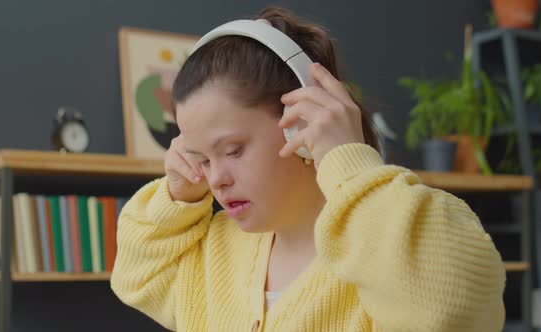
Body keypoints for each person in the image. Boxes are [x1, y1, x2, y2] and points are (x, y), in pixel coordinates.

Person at [110, 6, 506, 332]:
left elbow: (452, 310)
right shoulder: (215, 250)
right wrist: (177, 196)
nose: (216, 179)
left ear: (300, 123)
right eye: (201, 158)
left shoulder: (392, 239)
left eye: (232, 150)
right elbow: (134, 276)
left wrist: (349, 166)